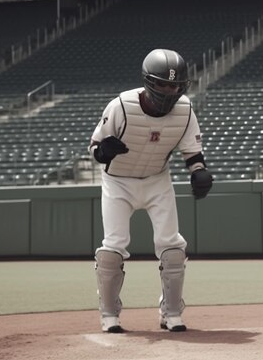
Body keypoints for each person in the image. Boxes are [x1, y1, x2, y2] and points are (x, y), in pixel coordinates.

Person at [89, 48, 213, 333]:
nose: (170, 91)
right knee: (113, 246)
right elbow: (95, 148)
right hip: (118, 181)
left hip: (157, 179)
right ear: (148, 81)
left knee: (172, 246)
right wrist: (103, 151)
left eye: (175, 85)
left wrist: (199, 173)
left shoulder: (185, 110)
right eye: (163, 84)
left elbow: (193, 153)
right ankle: (109, 315)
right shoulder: (120, 106)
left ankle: (171, 313)